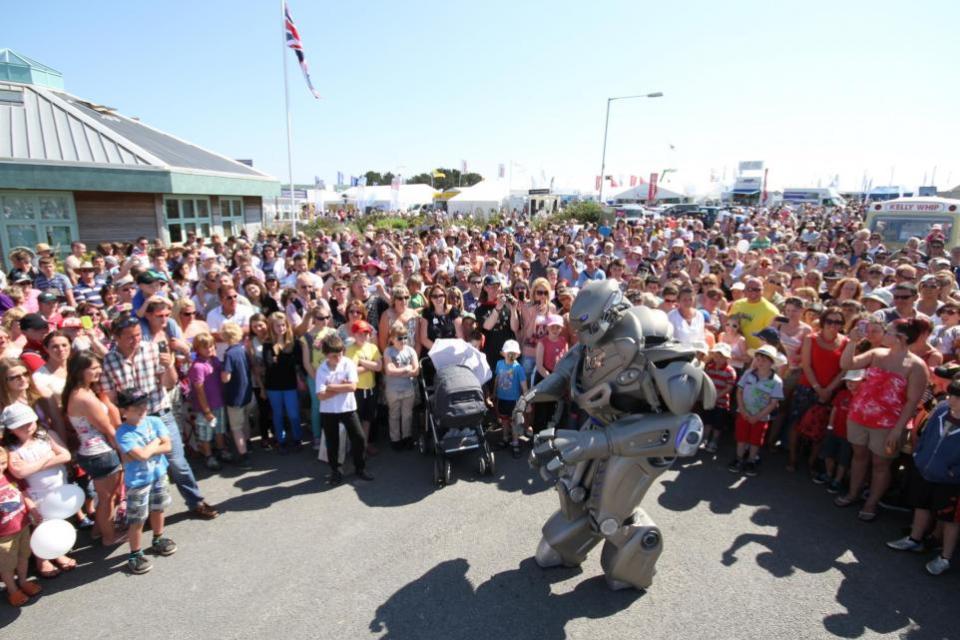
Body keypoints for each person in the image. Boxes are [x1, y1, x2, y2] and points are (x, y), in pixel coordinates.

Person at [100, 313, 218, 519]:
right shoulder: (109, 361)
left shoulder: (152, 349)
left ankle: (196, 501)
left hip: (160, 414)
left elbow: (170, 383)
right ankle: (144, 515)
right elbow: (110, 397)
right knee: (140, 469)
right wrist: (122, 423)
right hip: (133, 423)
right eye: (129, 336)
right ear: (116, 338)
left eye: (138, 335)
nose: (135, 340)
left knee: (178, 464)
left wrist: (168, 365)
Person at [836, 318, 930, 522]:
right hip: (859, 415)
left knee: (881, 464)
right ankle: (853, 494)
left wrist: (897, 430)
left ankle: (871, 503)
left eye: (888, 331)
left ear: (901, 338)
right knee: (859, 455)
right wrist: (851, 342)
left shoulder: (916, 366)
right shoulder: (877, 353)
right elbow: (846, 364)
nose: (882, 334)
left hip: (889, 424)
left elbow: (912, 402)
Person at [886, 378, 960, 576]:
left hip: (951, 481)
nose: (952, 399)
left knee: (950, 519)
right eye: (952, 394)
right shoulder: (942, 408)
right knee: (921, 505)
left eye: (957, 397)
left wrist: (954, 472)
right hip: (925, 468)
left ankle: (945, 558)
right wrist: (920, 456)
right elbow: (926, 433)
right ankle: (914, 538)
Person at [2, 402, 77, 577]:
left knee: (57, 523)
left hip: (58, 490)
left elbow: (65, 455)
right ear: (11, 429)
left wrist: (34, 466)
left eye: (29, 422)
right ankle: (41, 560)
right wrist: (48, 459)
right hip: (36, 495)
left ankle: (57, 553)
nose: (27, 427)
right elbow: (19, 472)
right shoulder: (12, 449)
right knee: (40, 527)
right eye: (20, 426)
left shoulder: (46, 435)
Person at [62, 351, 126, 545]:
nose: (99, 371)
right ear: (80, 370)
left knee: (106, 496)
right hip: (101, 453)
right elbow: (108, 429)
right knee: (107, 499)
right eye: (94, 368)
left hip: (91, 452)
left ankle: (98, 531)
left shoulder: (79, 392)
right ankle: (109, 536)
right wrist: (125, 454)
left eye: (99, 366)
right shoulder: (85, 398)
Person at [114, 390, 177, 575]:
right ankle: (135, 553)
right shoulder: (123, 432)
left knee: (158, 508)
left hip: (159, 474)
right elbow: (142, 455)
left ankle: (158, 539)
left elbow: (168, 446)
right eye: (137, 406)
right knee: (138, 518)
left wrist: (149, 450)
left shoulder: (155, 421)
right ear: (124, 411)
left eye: (144, 404)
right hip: (138, 481)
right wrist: (156, 441)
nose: (143, 409)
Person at [315, 333, 371, 485]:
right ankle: (335, 470)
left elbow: (352, 387)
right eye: (334, 356)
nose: (338, 358)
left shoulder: (348, 364)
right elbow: (320, 395)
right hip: (329, 411)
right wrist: (342, 386)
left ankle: (360, 467)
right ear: (326, 355)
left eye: (340, 354)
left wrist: (330, 386)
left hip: (348, 408)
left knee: (359, 438)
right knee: (333, 442)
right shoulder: (322, 369)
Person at [729, 345, 784, 476]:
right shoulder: (748, 374)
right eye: (758, 359)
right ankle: (738, 459)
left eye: (764, 360)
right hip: (744, 413)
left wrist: (758, 416)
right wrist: (742, 410)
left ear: (772, 362)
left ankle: (751, 461)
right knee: (741, 437)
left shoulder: (776, 382)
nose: (760, 362)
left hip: (761, 417)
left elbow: (773, 403)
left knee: (755, 440)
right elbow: (739, 391)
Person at [0, 443, 42, 607]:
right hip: (3, 536)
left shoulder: (10, 477)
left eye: (3, 463)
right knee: (6, 565)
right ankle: (12, 590)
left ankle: (23, 581)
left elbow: (24, 494)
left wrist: (32, 509)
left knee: (24, 556)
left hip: (23, 526)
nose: (1, 467)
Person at [814, 368, 863, 494]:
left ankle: (837, 480)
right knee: (828, 454)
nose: (850, 383)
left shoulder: (863, 398)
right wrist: (830, 425)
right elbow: (835, 410)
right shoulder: (842, 394)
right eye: (848, 381)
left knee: (843, 459)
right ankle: (828, 474)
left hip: (849, 436)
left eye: (854, 381)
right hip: (835, 430)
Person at [261, 312, 304, 453]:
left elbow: (296, 362)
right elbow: (269, 364)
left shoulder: (294, 342)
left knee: (293, 414)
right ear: (272, 327)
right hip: (273, 385)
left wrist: (278, 358)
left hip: (290, 383)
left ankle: (297, 438)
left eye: (283, 325)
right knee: (277, 414)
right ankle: (281, 440)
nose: (281, 328)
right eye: (277, 326)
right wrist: (281, 354)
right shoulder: (268, 344)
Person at [188, 332, 231, 471]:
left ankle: (221, 450)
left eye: (212, 346)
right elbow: (199, 390)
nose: (210, 349)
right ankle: (208, 456)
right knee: (205, 433)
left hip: (218, 402)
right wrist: (206, 410)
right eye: (205, 347)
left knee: (219, 429)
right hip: (205, 407)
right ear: (197, 349)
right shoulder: (198, 366)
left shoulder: (215, 360)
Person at [219, 322, 253, 468]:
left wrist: (220, 373)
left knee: (236, 427)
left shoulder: (229, 354)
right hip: (246, 392)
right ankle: (248, 443)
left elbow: (226, 377)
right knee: (245, 420)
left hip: (234, 395)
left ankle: (243, 456)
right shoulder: (243, 349)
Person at [345, 320, 381, 454]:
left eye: (366, 333)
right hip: (357, 390)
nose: (364, 336)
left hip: (371, 388)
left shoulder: (373, 347)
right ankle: (356, 446)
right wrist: (370, 365)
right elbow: (352, 370)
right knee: (356, 420)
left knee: (368, 419)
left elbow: (379, 367)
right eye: (360, 333)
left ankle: (364, 445)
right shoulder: (350, 349)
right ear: (354, 334)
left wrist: (361, 362)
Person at [383, 322, 419, 450]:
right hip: (393, 390)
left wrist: (399, 371)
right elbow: (389, 371)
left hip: (408, 389)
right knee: (394, 415)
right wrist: (406, 369)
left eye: (405, 337)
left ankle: (406, 437)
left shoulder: (411, 350)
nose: (403, 340)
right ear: (392, 339)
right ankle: (395, 439)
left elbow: (416, 371)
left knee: (407, 415)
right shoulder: (388, 351)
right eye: (400, 338)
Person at [494, 339, 527, 459]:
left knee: (514, 423)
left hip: (514, 401)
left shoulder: (518, 368)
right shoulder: (499, 364)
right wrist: (494, 394)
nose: (511, 355)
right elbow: (497, 379)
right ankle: (505, 439)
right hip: (502, 399)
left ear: (518, 354)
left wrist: (526, 401)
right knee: (504, 421)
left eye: (514, 353)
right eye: (509, 353)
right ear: (503, 353)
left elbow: (524, 386)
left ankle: (516, 443)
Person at [727, 277, 779, 350]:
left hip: (755, 353)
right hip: (735, 350)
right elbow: (728, 325)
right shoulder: (737, 304)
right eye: (749, 289)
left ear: (763, 290)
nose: (753, 292)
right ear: (744, 291)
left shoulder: (771, 311)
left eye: (757, 290)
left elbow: (770, 338)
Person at [703, 343, 737, 454]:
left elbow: (729, 388)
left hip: (721, 403)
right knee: (707, 420)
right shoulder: (709, 368)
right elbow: (706, 382)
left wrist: (716, 396)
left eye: (721, 356)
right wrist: (709, 396)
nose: (718, 359)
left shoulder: (730, 371)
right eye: (716, 356)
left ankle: (714, 441)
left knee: (718, 424)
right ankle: (705, 438)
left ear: (727, 358)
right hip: (709, 400)